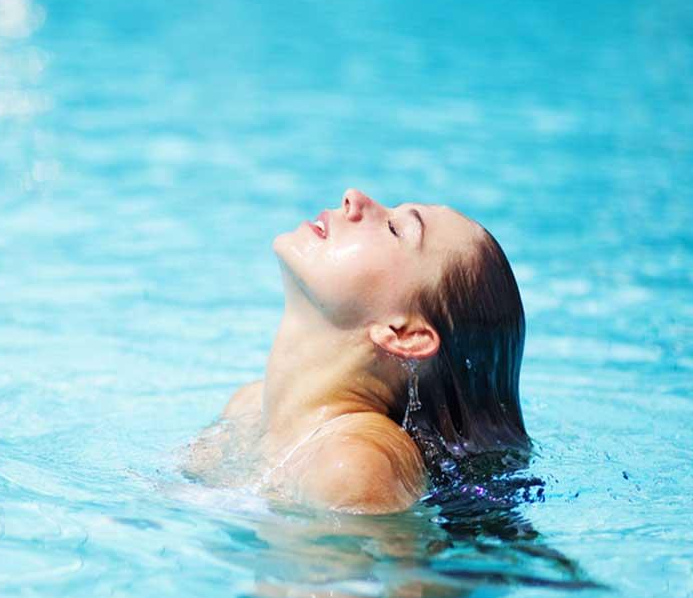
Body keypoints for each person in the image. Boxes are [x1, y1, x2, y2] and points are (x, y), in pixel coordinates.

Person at [183, 188, 530, 514]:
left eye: (395, 229)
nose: (354, 197)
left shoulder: (356, 466)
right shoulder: (245, 408)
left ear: (405, 334)